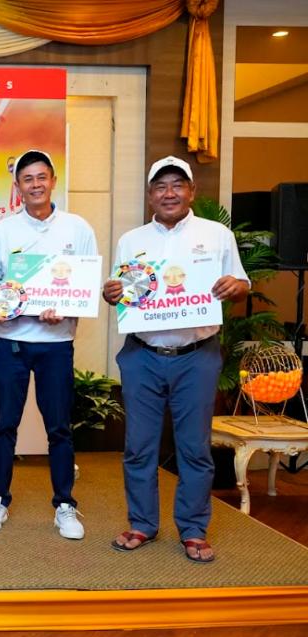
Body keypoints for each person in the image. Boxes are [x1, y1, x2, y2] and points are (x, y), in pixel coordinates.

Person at [102, 156, 250, 563]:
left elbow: (240, 284)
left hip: (196, 356)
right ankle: (142, 524)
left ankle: (193, 529)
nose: (169, 193)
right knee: (139, 447)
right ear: (150, 195)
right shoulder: (132, 240)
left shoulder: (216, 234)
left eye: (177, 185)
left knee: (194, 448)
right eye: (161, 186)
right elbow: (126, 292)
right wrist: (110, 292)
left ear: (191, 192)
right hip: (142, 355)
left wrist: (235, 285)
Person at [0, 150, 97, 540]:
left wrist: (65, 308)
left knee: (59, 427)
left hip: (56, 343)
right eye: (27, 179)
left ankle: (65, 505)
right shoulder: (1, 231)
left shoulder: (78, 228)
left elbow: (86, 284)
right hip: (9, 341)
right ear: (17, 187)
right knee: (4, 426)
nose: (35, 185)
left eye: (41, 177)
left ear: (53, 180)